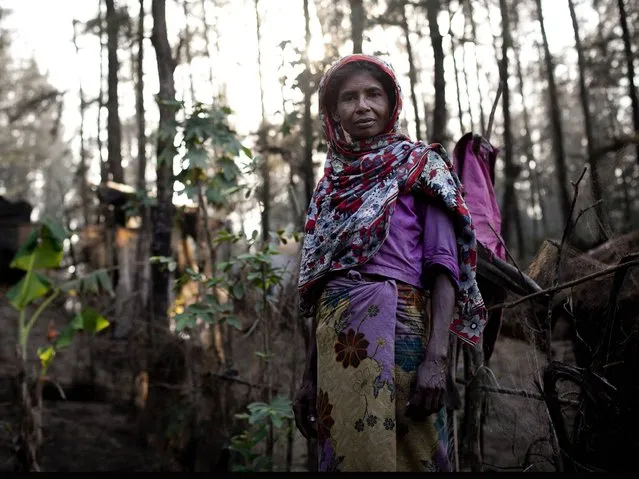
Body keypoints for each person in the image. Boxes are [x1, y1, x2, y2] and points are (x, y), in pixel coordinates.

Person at [293, 54, 487, 472]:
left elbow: (444, 268)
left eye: (372, 94)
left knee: (415, 455)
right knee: (349, 456)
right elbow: (321, 285)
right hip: (337, 342)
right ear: (333, 111)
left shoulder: (421, 167)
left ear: (391, 102)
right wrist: (311, 376)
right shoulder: (330, 188)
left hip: (404, 333)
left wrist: (436, 359)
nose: (361, 106)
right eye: (348, 98)